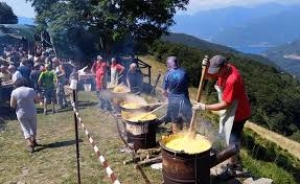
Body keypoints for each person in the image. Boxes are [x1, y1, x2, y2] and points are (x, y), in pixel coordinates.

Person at [193, 55, 251, 178]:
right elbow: (209, 76)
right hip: (231, 108)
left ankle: (232, 167)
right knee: (228, 136)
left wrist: (204, 107)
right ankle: (232, 158)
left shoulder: (232, 79)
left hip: (238, 112)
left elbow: (225, 104)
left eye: (217, 71)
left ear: (224, 67)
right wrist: (205, 67)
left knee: (233, 139)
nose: (215, 74)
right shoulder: (224, 70)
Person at [10, 78, 41, 153]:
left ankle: (30, 144)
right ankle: (33, 140)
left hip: (21, 113)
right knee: (33, 128)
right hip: (32, 111)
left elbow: (12, 105)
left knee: (25, 129)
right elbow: (37, 100)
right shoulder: (31, 90)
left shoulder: (14, 92)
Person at [162, 56, 192, 134]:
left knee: (175, 120)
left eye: (167, 65)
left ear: (169, 65)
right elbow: (188, 84)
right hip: (185, 101)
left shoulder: (167, 75)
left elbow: (164, 92)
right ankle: (190, 137)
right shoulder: (184, 73)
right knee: (189, 120)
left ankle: (175, 137)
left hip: (173, 103)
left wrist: (168, 97)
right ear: (177, 63)